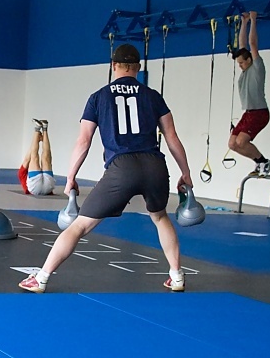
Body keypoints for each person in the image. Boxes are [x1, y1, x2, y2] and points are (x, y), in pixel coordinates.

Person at [18, 43, 195, 293]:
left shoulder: (98, 97)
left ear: (113, 66)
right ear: (138, 67)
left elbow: (84, 141)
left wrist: (70, 177)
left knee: (80, 225)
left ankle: (42, 277)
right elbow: (172, 137)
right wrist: (185, 173)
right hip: (154, 165)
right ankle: (176, 276)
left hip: (122, 168)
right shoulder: (153, 96)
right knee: (160, 216)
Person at [229, 11, 270, 175]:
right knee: (233, 144)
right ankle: (260, 162)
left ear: (249, 60)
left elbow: (252, 44)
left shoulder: (257, 67)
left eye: (241, 63)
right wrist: (244, 22)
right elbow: (242, 45)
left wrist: (253, 20)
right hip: (248, 113)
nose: (240, 65)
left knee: (241, 141)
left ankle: (264, 162)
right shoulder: (245, 70)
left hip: (259, 113)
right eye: (238, 63)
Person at [18, 119, 56, 195]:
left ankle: (43, 127)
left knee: (38, 158)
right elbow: (27, 159)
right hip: (37, 186)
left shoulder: (22, 173)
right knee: (41, 158)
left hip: (43, 188)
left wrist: (36, 142)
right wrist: (37, 141)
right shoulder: (21, 173)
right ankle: (40, 128)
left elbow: (27, 159)